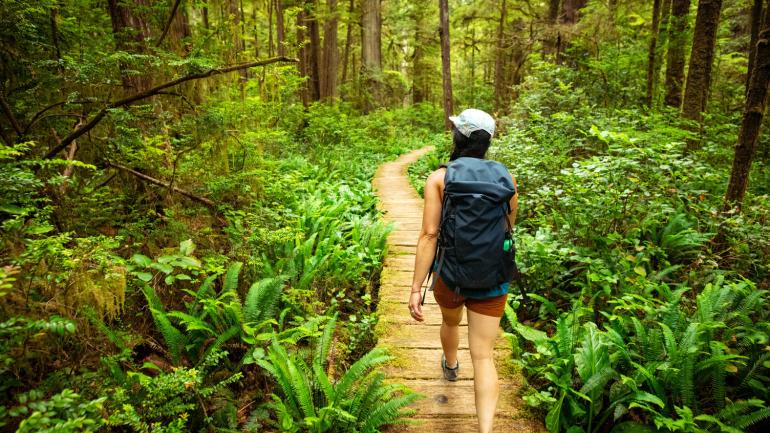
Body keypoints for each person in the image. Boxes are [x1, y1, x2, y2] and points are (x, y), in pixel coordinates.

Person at [407, 108, 518, 433]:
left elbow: (429, 234)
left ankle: (451, 364)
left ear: (459, 137)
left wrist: (416, 287)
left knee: (450, 321)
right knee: (483, 356)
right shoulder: (506, 178)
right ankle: (485, 430)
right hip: (493, 277)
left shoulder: (440, 178)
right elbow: (508, 225)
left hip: (450, 276)